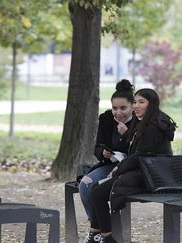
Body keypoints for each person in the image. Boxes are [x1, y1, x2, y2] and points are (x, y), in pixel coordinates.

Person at [87, 88, 177, 243]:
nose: (136, 106)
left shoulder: (154, 125)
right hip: (143, 171)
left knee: (97, 193)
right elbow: (137, 148)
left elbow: (140, 154)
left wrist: (117, 169)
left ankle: (105, 238)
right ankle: (96, 235)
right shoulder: (146, 121)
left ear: (152, 104)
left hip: (151, 176)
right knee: (96, 190)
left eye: (141, 102)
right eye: (135, 102)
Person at [80, 79, 135, 243]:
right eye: (115, 108)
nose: (119, 113)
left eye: (123, 108)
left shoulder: (138, 122)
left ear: (132, 106)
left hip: (128, 168)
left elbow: (137, 152)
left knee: (100, 189)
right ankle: (95, 229)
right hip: (109, 163)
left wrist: (126, 135)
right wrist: (103, 153)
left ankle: (99, 232)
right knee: (85, 184)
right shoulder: (105, 118)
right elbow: (97, 147)